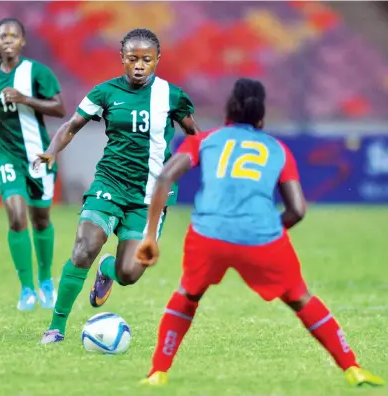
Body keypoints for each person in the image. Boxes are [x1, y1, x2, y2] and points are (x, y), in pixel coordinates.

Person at [135, 78, 385, 387]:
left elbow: (164, 178)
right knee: (299, 298)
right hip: (262, 238)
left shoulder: (205, 140)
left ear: (228, 112)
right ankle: (352, 368)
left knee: (188, 294)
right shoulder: (277, 149)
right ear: (261, 117)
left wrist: (149, 236)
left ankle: (158, 372)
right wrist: (268, 231)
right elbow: (298, 209)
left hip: (208, 234)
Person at [35, 28, 200, 343]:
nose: (139, 65)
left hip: (149, 196)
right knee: (84, 248)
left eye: (146, 59)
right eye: (132, 58)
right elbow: (71, 125)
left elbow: (196, 134)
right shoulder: (104, 92)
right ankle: (56, 327)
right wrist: (51, 152)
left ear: (157, 60)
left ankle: (108, 270)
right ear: (122, 59)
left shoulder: (172, 95)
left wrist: (207, 159)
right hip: (109, 183)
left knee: (129, 274)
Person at [0, 18, 66, 311]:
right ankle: (27, 289)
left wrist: (25, 98)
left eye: (14, 35)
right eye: (3, 36)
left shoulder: (36, 72)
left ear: (22, 41)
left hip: (38, 156)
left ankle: (46, 281)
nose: (9, 39)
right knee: (16, 216)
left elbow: (60, 107)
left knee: (40, 219)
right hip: (5, 154)